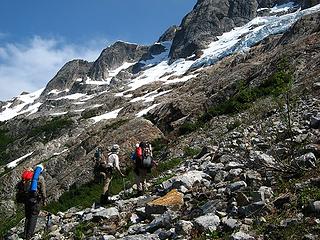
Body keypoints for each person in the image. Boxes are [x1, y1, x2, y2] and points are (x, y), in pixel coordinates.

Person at [20, 164, 46, 240]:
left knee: (27, 217)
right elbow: (43, 191)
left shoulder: (28, 178)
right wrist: (44, 200)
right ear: (41, 171)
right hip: (35, 201)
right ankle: (29, 236)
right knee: (33, 217)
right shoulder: (40, 178)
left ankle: (25, 234)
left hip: (27, 200)